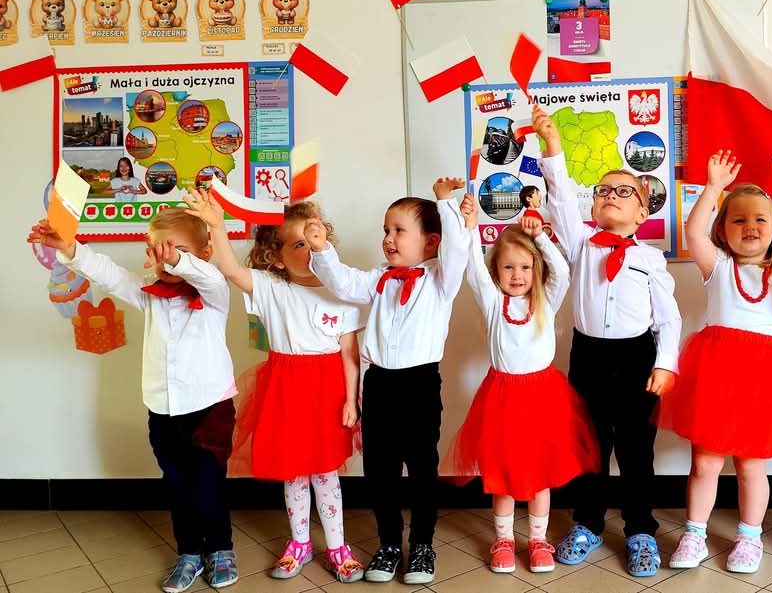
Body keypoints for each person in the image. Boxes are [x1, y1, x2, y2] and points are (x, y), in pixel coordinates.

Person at [28, 208, 238, 593]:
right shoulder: (149, 293)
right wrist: (70, 247)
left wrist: (178, 260)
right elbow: (107, 273)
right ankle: (189, 552)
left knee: (207, 484)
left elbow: (207, 277)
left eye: (175, 251)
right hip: (163, 410)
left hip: (210, 408)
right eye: (157, 251)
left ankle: (220, 548)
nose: (164, 260)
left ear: (203, 253)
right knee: (177, 485)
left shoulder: (214, 292)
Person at [182, 189, 365, 584]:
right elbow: (231, 270)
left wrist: (352, 399)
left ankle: (337, 547)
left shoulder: (344, 291)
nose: (311, 248)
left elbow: (350, 352)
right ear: (277, 257)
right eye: (299, 243)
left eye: (315, 238)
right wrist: (217, 227)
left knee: (326, 474)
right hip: (286, 391)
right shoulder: (270, 287)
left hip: (329, 393)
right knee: (293, 473)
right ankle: (299, 543)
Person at [659, 150, 772, 574]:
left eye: (760, 220)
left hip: (762, 380)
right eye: (738, 220)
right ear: (722, 229)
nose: (750, 226)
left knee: (752, 465)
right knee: (705, 462)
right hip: (715, 374)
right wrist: (713, 188)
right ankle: (695, 533)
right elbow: (693, 231)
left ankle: (749, 538)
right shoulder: (718, 266)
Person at [533, 106, 682, 578]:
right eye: (603, 191)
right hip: (589, 358)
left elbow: (669, 318)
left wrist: (665, 363)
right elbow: (560, 198)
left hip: (637, 360)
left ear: (643, 212)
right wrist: (553, 145)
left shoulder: (651, 261)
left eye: (624, 191)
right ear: (594, 207)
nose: (611, 196)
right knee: (589, 447)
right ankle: (588, 523)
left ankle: (640, 529)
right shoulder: (581, 243)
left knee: (637, 451)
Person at [305, 178, 469, 584]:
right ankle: (389, 544)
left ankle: (423, 544)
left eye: (398, 230)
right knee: (380, 471)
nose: (388, 239)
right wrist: (322, 249)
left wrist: (445, 203)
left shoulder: (441, 278)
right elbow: (342, 282)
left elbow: (458, 249)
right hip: (378, 384)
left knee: (422, 469)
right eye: (385, 230)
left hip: (419, 385)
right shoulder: (378, 278)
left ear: (431, 241)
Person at [444, 198, 598, 575]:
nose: (517, 275)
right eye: (508, 267)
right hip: (502, 397)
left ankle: (538, 540)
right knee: (503, 475)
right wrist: (470, 227)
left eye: (525, 267)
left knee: (540, 472)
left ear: (535, 269)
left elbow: (562, 273)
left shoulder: (545, 299)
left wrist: (541, 238)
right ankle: (504, 540)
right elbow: (473, 270)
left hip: (543, 398)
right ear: (496, 271)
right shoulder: (493, 302)